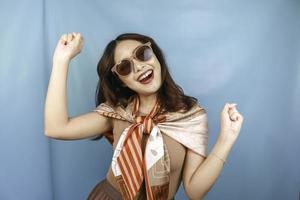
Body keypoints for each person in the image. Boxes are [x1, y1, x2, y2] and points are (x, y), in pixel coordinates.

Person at [44, 32, 244, 200]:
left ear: (156, 56)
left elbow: (194, 191)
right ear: (121, 81)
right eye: (124, 67)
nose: (139, 66)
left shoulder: (190, 118)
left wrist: (226, 139)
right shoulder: (117, 112)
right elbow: (56, 127)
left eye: (143, 54)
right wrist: (61, 59)